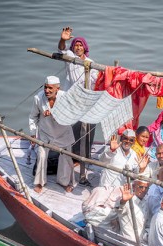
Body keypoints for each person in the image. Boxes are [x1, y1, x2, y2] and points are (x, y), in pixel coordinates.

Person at [58, 26, 99, 181]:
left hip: (86, 100)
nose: (78, 47)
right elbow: (62, 48)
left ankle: (84, 155)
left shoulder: (90, 63)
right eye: (76, 45)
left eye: (81, 45)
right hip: (71, 99)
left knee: (89, 126)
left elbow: (96, 81)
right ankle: (72, 156)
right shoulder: (70, 57)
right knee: (71, 128)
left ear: (85, 48)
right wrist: (63, 39)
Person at [29, 76, 75, 193]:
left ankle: (64, 182)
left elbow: (73, 116)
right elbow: (33, 117)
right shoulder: (38, 98)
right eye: (45, 87)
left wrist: (55, 113)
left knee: (66, 157)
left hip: (63, 133)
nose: (47, 90)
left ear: (57, 89)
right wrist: (33, 134)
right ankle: (39, 182)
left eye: (50, 88)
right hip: (45, 133)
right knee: (42, 156)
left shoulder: (66, 98)